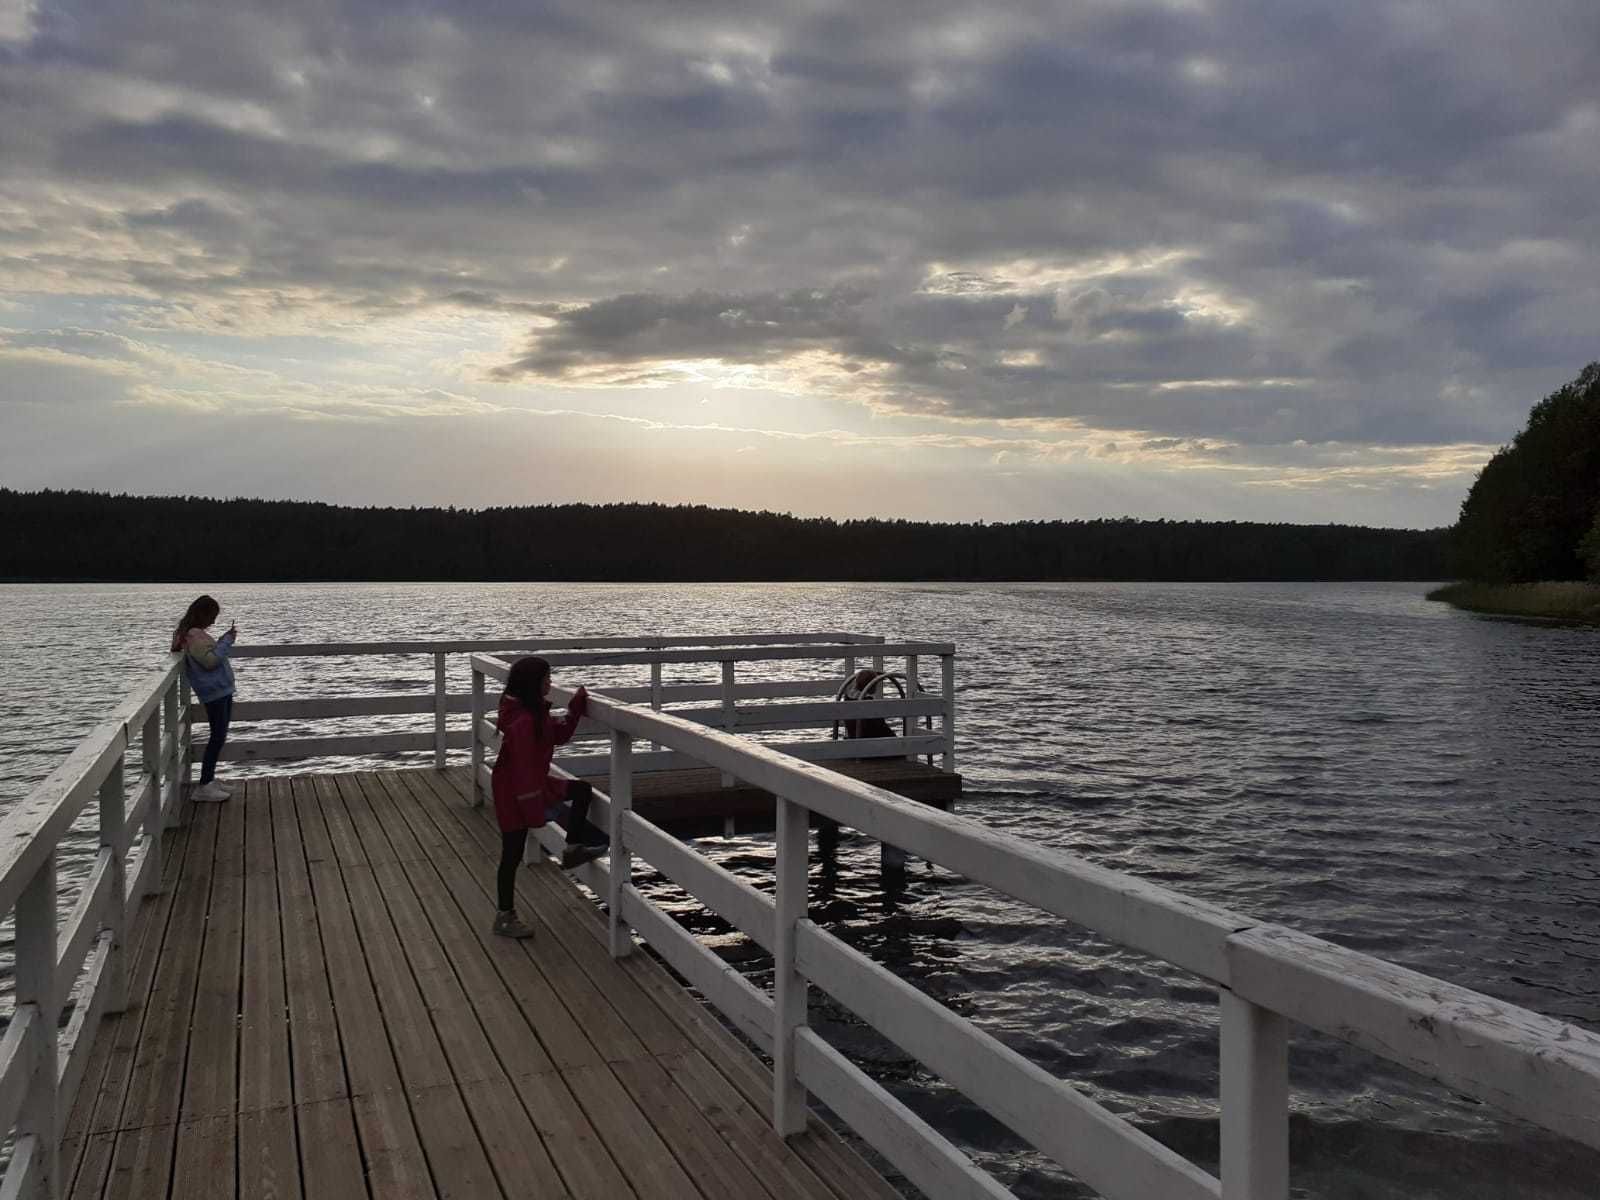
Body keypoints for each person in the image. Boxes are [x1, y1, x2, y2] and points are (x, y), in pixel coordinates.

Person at [489, 655, 609, 937]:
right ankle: (504, 916)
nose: (550, 683)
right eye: (546, 679)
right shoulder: (524, 721)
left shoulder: (531, 714)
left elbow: (558, 734)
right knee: (512, 853)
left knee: (581, 791)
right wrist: (533, 804)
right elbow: (522, 766)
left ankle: (573, 847)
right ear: (534, 684)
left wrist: (575, 709)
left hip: (528, 785)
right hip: (516, 791)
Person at [170, 594, 237, 803]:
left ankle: (209, 780)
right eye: (212, 616)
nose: (214, 621)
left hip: (218, 691)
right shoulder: (194, 636)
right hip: (214, 693)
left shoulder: (190, 635)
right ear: (203, 614)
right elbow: (210, 662)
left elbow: (206, 655)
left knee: (219, 736)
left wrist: (220, 641)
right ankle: (204, 785)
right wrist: (226, 641)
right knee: (217, 737)